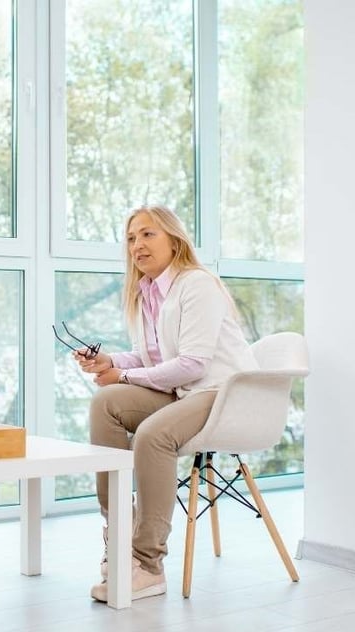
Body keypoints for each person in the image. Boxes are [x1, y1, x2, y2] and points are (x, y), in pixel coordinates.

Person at [73, 205, 257, 602]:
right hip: (185, 393)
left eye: (147, 235)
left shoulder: (197, 285)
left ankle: (148, 564)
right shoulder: (146, 293)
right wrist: (111, 363)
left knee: (153, 436)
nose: (137, 246)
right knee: (106, 403)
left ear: (174, 240)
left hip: (223, 394)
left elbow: (192, 364)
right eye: (130, 239)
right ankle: (118, 538)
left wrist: (124, 375)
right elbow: (150, 356)